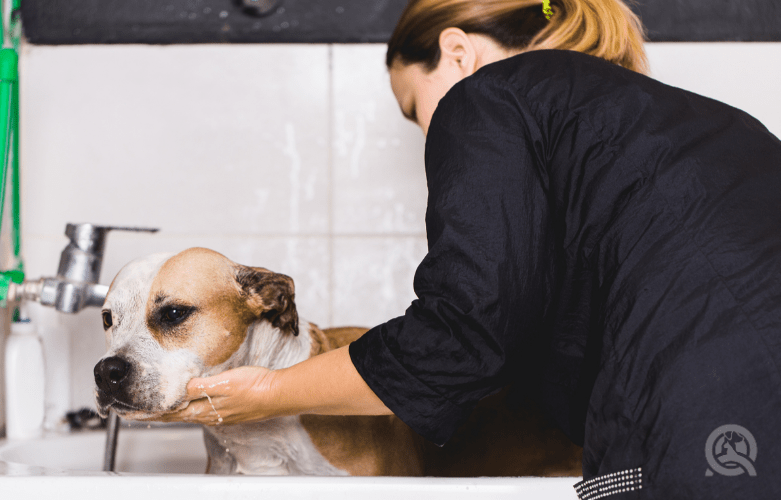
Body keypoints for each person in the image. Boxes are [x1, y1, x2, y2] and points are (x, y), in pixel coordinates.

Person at [156, 0, 781, 497]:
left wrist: (264, 393)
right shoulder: (700, 121)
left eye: (414, 108)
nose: (428, 128)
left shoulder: (487, 95)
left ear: (456, 54)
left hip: (717, 419)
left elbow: (462, 336)